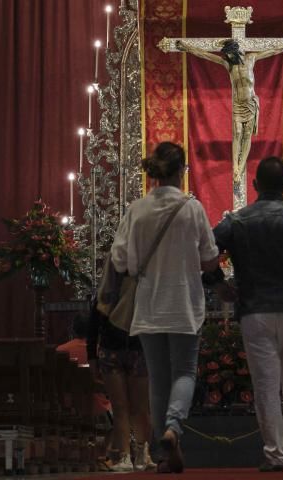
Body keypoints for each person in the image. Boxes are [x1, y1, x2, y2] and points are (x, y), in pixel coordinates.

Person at [208, 156, 283, 472]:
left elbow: (205, 249)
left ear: (255, 185)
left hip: (255, 310)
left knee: (265, 384)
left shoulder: (237, 221)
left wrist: (218, 284)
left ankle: (275, 453)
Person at [111, 141, 222, 474]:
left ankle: (162, 452)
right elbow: (210, 258)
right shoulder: (192, 209)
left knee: (158, 379)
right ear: (181, 171)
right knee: (185, 370)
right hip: (184, 303)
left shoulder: (137, 209)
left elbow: (119, 259)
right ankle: (173, 427)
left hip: (148, 305)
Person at [175, 38, 283, 208]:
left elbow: (272, 50)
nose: (227, 57)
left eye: (229, 54)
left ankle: (239, 168)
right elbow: (204, 55)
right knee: (237, 133)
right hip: (238, 105)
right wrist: (186, 47)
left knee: (246, 136)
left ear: (235, 51)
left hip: (250, 104)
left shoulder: (251, 59)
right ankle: (236, 167)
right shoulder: (229, 66)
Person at [86, 304, 154, 472]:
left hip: (139, 348)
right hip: (111, 349)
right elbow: (93, 325)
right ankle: (124, 455)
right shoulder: (106, 291)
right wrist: (92, 357)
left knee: (140, 407)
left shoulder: (143, 285)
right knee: (119, 406)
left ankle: (142, 451)